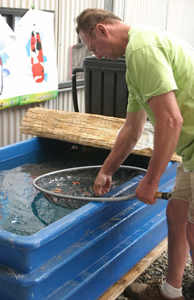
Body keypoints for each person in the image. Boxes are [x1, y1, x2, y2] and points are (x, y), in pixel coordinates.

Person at [76, 8, 194, 300]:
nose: (98, 57)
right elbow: (132, 128)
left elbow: (170, 120)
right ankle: (171, 292)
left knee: (193, 228)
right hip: (190, 153)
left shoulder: (143, 47)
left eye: (94, 48)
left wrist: (152, 181)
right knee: (176, 214)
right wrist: (107, 170)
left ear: (103, 30)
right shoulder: (134, 62)